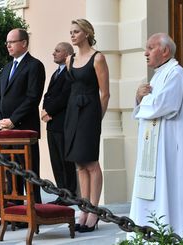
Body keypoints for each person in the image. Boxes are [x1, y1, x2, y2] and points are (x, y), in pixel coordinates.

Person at [128, 33, 183, 237]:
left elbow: (163, 105)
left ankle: (172, 230)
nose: (145, 53)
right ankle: (149, 230)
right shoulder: (159, 74)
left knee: (168, 188)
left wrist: (144, 100)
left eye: (150, 48)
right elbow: (148, 105)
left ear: (165, 51)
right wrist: (138, 97)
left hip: (170, 147)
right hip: (154, 149)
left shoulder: (176, 73)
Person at [64, 19, 110, 233]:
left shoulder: (98, 57)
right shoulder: (69, 59)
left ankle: (94, 212)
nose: (72, 35)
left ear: (87, 33)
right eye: (71, 32)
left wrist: (96, 119)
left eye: (76, 32)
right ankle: (83, 208)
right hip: (73, 113)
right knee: (79, 164)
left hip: (90, 113)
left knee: (91, 163)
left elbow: (105, 93)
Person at [0, 28, 46, 206]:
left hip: (24, 128)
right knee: (10, 171)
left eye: (12, 41)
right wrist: (0, 120)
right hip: (5, 130)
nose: (8, 45)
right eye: (7, 42)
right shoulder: (7, 67)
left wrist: (13, 120)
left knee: (29, 171)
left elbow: (33, 97)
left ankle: (34, 209)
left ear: (23, 43)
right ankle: (12, 211)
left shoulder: (34, 65)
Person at [41, 42, 77, 205]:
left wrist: (49, 111)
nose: (53, 53)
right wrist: (43, 110)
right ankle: (61, 193)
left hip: (62, 122)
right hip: (52, 124)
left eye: (57, 51)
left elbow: (65, 96)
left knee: (65, 160)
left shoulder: (70, 72)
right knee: (56, 160)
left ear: (67, 54)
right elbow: (48, 95)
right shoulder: (56, 73)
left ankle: (70, 193)